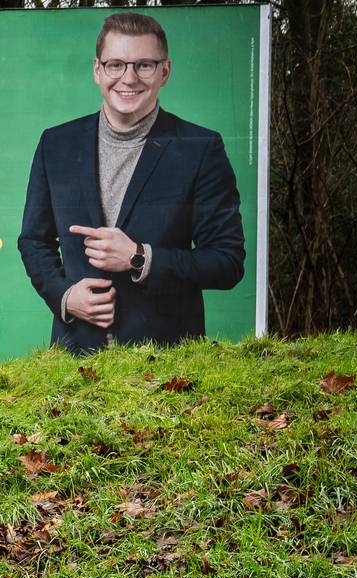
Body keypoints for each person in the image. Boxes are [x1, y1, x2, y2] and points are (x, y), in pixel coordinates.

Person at [18, 12, 246, 355]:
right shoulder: (56, 144)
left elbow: (227, 261)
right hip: (73, 363)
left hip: (167, 366)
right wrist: (65, 297)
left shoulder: (200, 148)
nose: (128, 78)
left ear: (164, 71)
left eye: (144, 65)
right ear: (98, 70)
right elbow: (34, 241)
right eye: (116, 65)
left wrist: (141, 258)